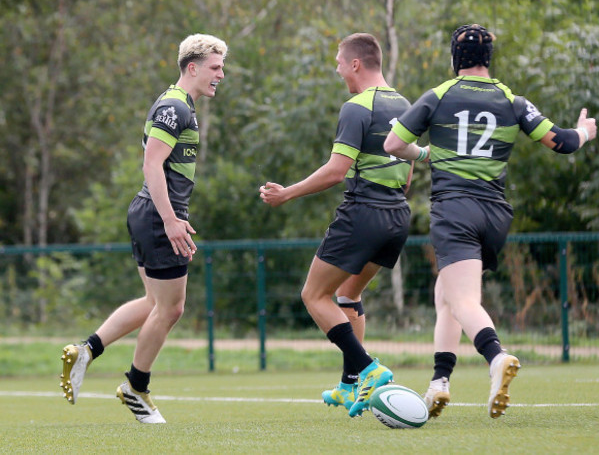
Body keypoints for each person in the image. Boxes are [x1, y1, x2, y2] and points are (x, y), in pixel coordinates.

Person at [384, 23, 597, 419]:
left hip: (455, 209)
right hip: (496, 214)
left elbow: (393, 144)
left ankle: (495, 356)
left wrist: (428, 154)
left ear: (454, 58)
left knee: (463, 299)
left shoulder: (439, 95)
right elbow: (564, 143)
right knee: (445, 294)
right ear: (488, 59)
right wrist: (584, 131)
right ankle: (439, 382)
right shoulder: (512, 100)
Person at [59, 33, 228, 424]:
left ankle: (86, 350)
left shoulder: (181, 104)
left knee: (155, 303)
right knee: (172, 307)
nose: (221, 74)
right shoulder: (174, 107)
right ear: (193, 67)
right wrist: (171, 220)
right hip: (157, 213)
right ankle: (136, 387)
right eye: (215, 67)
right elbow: (152, 166)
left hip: (150, 211)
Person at [259, 33, 418, 417]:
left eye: (338, 62)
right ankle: (350, 386)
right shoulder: (406, 105)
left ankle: (368, 367)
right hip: (397, 216)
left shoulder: (356, 107)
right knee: (348, 295)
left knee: (314, 296)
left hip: (364, 214)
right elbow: (409, 176)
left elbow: (336, 171)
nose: (337, 69)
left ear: (356, 64)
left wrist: (287, 194)